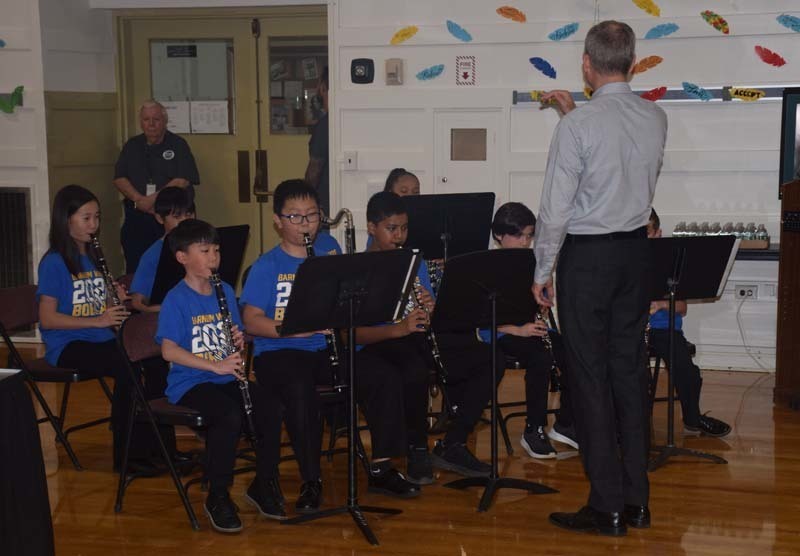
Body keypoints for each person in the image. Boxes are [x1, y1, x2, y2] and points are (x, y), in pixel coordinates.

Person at [533, 21, 668, 536]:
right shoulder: (654, 117)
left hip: (587, 263)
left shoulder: (578, 127)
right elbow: (616, 169)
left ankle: (605, 505)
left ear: (586, 65)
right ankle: (637, 502)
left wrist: (541, 271)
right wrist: (575, 112)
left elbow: (556, 211)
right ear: (632, 63)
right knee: (629, 377)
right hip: (636, 257)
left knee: (589, 382)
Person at [156, 219, 284, 533]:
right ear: (182, 257)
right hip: (190, 383)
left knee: (271, 408)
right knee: (227, 415)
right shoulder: (176, 299)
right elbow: (169, 351)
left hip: (224, 376)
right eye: (205, 251)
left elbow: (228, 336)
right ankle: (218, 494)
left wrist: (236, 340)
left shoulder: (224, 290)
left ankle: (263, 483)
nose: (214, 257)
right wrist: (215, 366)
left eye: (216, 250)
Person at [36, 184, 154, 473]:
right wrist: (98, 321)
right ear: (66, 220)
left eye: (97, 217)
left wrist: (117, 297)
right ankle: (126, 455)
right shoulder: (54, 263)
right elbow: (48, 319)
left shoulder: (92, 257)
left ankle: (157, 449)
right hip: (68, 345)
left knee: (152, 359)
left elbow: (94, 304)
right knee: (129, 366)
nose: (94, 225)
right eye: (86, 218)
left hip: (100, 338)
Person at [240, 179, 341, 514]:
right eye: (295, 217)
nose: (305, 224)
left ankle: (383, 464)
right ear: (278, 221)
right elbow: (250, 320)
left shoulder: (329, 250)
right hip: (279, 353)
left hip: (321, 347)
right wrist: (291, 330)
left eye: (312, 215)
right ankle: (311, 479)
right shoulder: (266, 266)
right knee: (300, 390)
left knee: (370, 370)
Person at [355, 191, 436, 487]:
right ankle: (413, 448)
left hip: (407, 339)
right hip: (373, 343)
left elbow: (428, 311)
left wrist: (429, 307)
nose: (399, 235)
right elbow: (352, 333)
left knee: (415, 365)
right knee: (405, 370)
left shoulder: (415, 261)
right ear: (372, 228)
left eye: (404, 228)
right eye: (392, 229)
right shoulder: (359, 267)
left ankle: (417, 447)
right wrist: (399, 328)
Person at [484, 202, 577, 458]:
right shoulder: (486, 265)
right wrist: (518, 329)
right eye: (517, 236)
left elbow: (533, 306)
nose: (525, 242)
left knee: (573, 352)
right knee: (540, 357)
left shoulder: (531, 262)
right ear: (499, 236)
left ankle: (566, 423)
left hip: (527, 330)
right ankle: (533, 429)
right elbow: (480, 318)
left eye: (528, 236)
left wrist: (542, 305)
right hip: (499, 332)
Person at [646, 209, 731, 437]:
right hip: (630, 329)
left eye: (646, 231)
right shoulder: (622, 260)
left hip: (663, 330)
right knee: (632, 373)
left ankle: (693, 419)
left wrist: (660, 305)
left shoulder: (669, 262)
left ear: (657, 233)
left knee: (688, 371)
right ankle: (631, 424)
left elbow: (682, 308)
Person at [114, 99, 200, 273]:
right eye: (146, 120)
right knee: (137, 265)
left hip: (170, 216)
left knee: (172, 265)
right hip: (138, 215)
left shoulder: (178, 145)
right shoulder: (132, 146)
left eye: (156, 119)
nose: (151, 124)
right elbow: (119, 178)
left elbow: (182, 180)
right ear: (141, 122)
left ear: (165, 120)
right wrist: (139, 200)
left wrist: (152, 200)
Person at [129, 186, 196, 313]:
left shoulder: (204, 247)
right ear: (160, 218)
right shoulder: (152, 255)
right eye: (177, 217)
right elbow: (137, 301)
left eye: (189, 215)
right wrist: (163, 308)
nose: (185, 222)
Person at [305, 67, 330, 216]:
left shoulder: (325, 125)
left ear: (323, 87)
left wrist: (303, 198)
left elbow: (315, 170)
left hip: (324, 206)